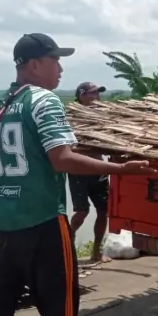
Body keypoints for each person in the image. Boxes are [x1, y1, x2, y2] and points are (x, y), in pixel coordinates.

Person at [0, 32, 158, 316]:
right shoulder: (44, 101)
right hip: (41, 223)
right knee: (61, 311)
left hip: (1, 224)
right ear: (33, 64)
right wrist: (120, 167)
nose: (61, 68)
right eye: (55, 60)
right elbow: (62, 159)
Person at [68, 82, 111, 262]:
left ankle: (96, 253)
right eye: (93, 93)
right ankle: (67, 248)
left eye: (98, 94)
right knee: (82, 212)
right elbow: (67, 148)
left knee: (104, 210)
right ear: (81, 96)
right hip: (78, 171)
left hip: (98, 169)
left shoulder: (101, 118)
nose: (97, 97)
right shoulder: (71, 118)